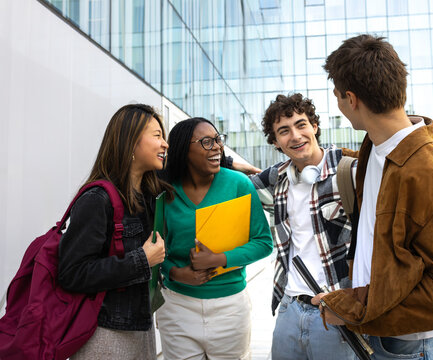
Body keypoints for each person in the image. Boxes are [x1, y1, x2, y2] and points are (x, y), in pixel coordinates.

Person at [311, 34, 433, 359]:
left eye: (336, 96)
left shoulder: (431, 174)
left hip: (425, 348)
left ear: (351, 99)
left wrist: (356, 312)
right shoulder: (375, 153)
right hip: (390, 340)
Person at [232, 93, 356, 360]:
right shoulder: (277, 178)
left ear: (315, 126)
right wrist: (232, 163)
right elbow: (236, 187)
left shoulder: (350, 172)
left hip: (336, 310)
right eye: (284, 131)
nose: (295, 136)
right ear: (275, 141)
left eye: (301, 125)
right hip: (290, 307)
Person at [58, 104, 173, 359]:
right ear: (130, 141)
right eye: (157, 136)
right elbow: (71, 273)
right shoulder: (97, 199)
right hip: (105, 335)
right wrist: (141, 260)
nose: (165, 144)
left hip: (142, 328)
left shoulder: (148, 196)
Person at [156, 117, 273, 360]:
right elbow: (154, 247)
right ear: (183, 150)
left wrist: (218, 259)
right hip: (177, 306)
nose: (218, 147)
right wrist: (175, 273)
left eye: (218, 140)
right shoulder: (164, 190)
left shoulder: (239, 184)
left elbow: (263, 242)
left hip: (230, 308)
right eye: (207, 142)